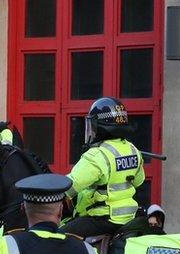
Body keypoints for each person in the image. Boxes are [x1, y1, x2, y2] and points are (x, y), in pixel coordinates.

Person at [62, 97, 145, 238]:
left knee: (58, 237)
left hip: (104, 218)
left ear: (101, 126)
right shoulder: (133, 150)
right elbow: (138, 181)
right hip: (130, 217)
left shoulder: (97, 154)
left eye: (93, 124)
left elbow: (69, 188)